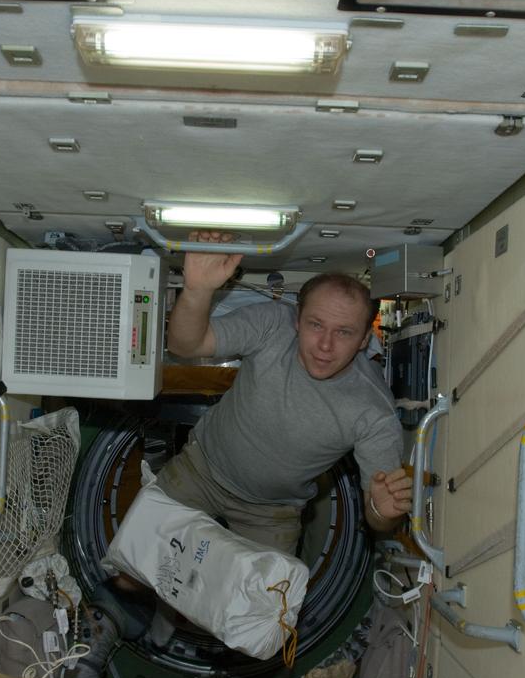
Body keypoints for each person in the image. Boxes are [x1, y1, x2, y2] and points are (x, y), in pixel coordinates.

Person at [159, 230, 413, 553]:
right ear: (297, 320)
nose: (325, 345)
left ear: (364, 340)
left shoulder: (374, 411)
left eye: (344, 332)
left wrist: (381, 512)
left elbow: (378, 515)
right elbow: (184, 345)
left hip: (271, 513)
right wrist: (196, 291)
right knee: (133, 570)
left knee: (264, 604)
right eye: (315, 325)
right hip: (201, 469)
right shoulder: (272, 326)